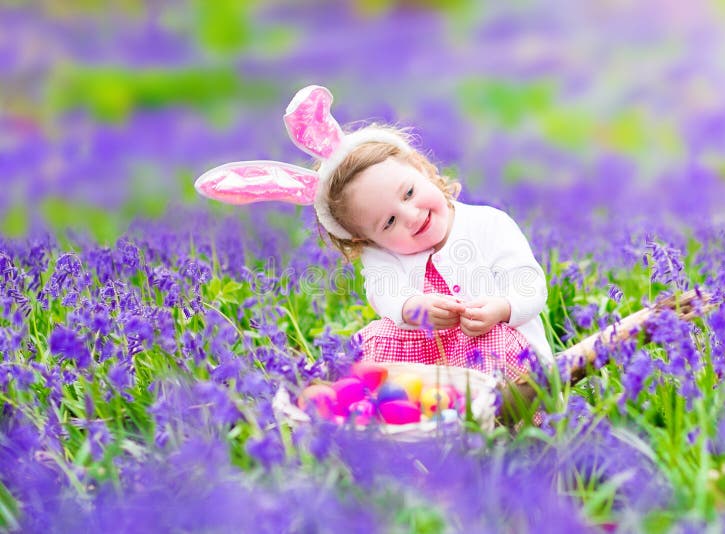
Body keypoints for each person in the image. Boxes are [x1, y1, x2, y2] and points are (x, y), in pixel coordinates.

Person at [194, 85, 553, 381]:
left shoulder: (488, 224)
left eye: (409, 193)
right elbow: (385, 291)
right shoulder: (381, 255)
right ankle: (389, 412)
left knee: (499, 355)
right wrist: (412, 308)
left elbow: (529, 283)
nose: (411, 216)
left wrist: (502, 308)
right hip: (428, 367)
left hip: (496, 345)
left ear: (421, 169)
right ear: (365, 240)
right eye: (389, 223)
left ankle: (504, 413)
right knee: (376, 340)